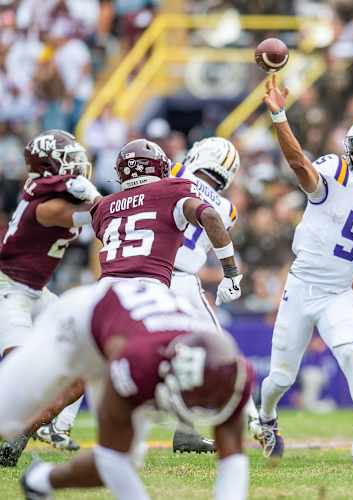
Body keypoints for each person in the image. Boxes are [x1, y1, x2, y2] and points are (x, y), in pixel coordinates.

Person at [256, 75, 353, 462]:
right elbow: (298, 164)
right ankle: (266, 417)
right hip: (302, 286)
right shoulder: (335, 171)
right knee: (280, 379)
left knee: (350, 353)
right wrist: (279, 118)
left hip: (337, 292)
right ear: (350, 150)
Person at [0, 280, 253, 500]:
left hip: (129, 329)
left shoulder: (230, 371)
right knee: (5, 415)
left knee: (121, 460)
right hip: (78, 322)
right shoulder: (140, 364)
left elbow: (233, 458)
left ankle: (38, 480)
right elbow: (112, 458)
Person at [89, 138, 244, 453]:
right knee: (188, 351)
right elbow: (210, 218)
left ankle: (50, 423)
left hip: (109, 285)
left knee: (91, 357)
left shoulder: (107, 204)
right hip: (158, 281)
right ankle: (226, 423)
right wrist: (230, 272)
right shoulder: (182, 190)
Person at [0, 130, 100, 465]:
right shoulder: (47, 206)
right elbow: (98, 212)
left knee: (89, 357)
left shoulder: (44, 190)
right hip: (8, 288)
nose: (77, 166)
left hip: (35, 292)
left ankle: (28, 431)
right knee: (21, 370)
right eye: (69, 159)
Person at [168, 137, 260, 452]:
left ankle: (62, 420)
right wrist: (231, 273)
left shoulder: (175, 172)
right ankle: (255, 419)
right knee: (217, 349)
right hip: (183, 281)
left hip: (150, 271)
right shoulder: (228, 209)